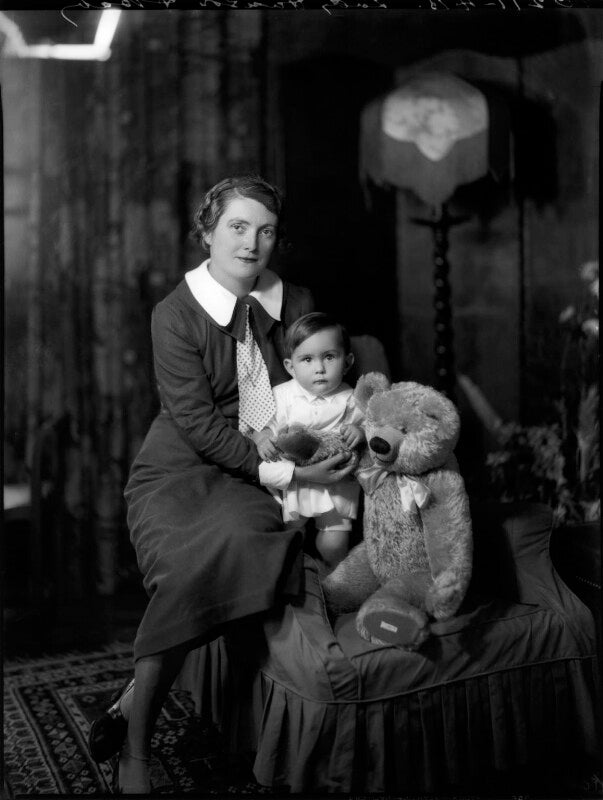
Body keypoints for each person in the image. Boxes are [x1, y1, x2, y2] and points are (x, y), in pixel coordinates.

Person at [87, 176, 356, 794]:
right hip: (184, 465)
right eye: (237, 226)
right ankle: (136, 747)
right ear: (207, 232)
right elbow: (201, 425)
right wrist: (290, 474)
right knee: (189, 565)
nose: (252, 242)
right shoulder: (175, 315)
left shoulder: (298, 298)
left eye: (264, 230)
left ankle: (134, 700)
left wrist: (328, 443)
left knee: (248, 537)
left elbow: (320, 385)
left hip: (269, 459)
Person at [252, 312, 365, 569]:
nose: (319, 368)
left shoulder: (351, 398)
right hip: (297, 482)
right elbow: (260, 427)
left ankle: (334, 578)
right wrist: (263, 439)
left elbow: (370, 427)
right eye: (307, 359)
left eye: (329, 357)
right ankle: (299, 577)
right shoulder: (282, 396)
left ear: (347, 362)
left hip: (336, 484)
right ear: (290, 367)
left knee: (333, 544)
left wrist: (360, 433)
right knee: (290, 535)